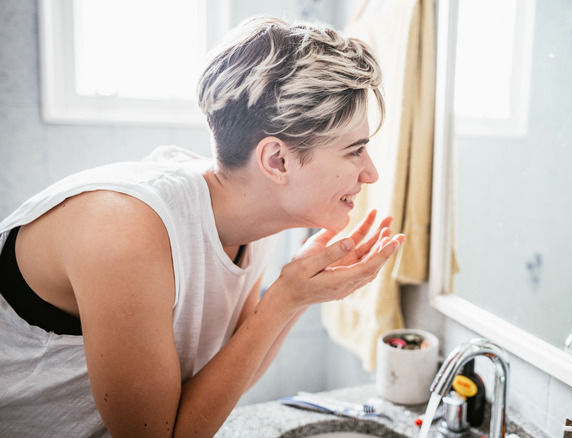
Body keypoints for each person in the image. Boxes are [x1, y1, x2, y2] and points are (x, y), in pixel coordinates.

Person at [0, 16, 404, 437]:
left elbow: (231, 376)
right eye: (355, 151)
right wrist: (285, 297)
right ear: (277, 161)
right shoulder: (124, 231)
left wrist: (299, 294)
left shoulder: (253, 216)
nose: (371, 173)